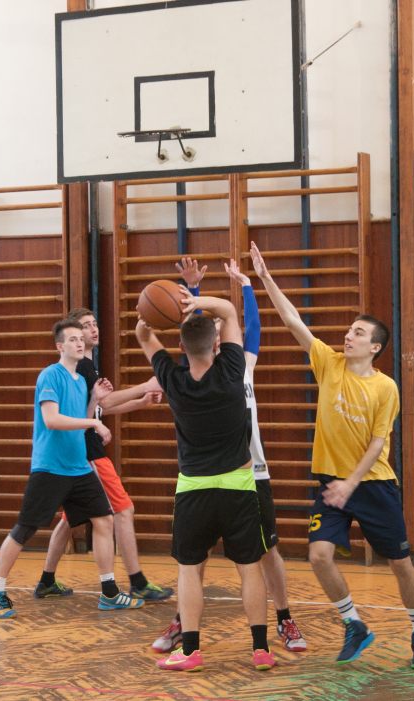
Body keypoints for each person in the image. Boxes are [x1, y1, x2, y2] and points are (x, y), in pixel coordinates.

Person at [249, 241, 414, 669]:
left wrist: (352, 483)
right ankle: (354, 624)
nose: (349, 336)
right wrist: (265, 278)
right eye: (350, 330)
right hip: (331, 484)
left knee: (400, 564)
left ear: (375, 347)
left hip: (372, 486)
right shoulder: (328, 363)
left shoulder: (385, 388)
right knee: (318, 556)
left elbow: (377, 444)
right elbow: (292, 320)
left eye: (358, 333)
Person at [151, 257, 307, 655]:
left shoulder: (242, 363)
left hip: (251, 472)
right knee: (197, 559)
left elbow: (246, 325)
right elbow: (195, 330)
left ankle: (284, 617)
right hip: (224, 474)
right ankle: (185, 621)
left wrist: (247, 286)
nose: (219, 333)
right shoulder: (211, 367)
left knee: (267, 551)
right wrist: (193, 294)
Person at [135, 280, 275, 672]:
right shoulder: (232, 370)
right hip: (238, 486)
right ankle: (261, 649)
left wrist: (153, 314)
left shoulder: (172, 379)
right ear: (217, 344)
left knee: (189, 571)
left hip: (193, 489)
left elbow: (143, 333)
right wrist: (194, 300)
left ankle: (191, 651)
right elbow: (228, 311)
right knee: (249, 567)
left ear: (180, 348)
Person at [0, 318, 144, 619]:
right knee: (25, 529)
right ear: (60, 346)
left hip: (78, 468)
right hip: (50, 467)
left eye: (81, 339)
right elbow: (53, 419)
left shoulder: (80, 381)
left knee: (104, 520)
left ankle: (109, 593)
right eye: (72, 339)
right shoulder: (50, 376)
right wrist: (94, 421)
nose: (79, 343)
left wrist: (94, 401)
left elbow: (78, 418)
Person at [34, 307, 174, 603]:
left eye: (94, 323)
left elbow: (100, 409)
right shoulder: (81, 367)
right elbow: (105, 403)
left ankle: (46, 581)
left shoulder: (85, 368)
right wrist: (145, 385)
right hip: (89, 453)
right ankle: (137, 582)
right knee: (123, 510)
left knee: (69, 520)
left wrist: (139, 402)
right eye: (86, 326)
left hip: (78, 453)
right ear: (74, 335)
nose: (93, 329)